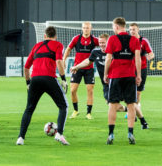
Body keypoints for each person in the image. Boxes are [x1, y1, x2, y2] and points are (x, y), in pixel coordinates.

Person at [16, 26, 69, 146]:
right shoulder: (58, 45)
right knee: (63, 106)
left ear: (44, 36)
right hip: (49, 78)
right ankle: (59, 134)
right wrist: (64, 79)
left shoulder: (36, 46)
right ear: (55, 37)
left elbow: (26, 67)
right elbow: (59, 62)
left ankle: (20, 138)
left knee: (29, 109)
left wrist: (28, 82)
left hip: (35, 79)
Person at [104, 17, 141, 145]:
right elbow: (137, 59)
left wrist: (105, 74)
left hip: (115, 75)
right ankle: (130, 133)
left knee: (113, 105)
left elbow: (108, 58)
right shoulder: (134, 39)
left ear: (117, 26)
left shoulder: (113, 39)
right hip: (130, 75)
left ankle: (111, 134)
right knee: (131, 105)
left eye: (113, 27)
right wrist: (138, 75)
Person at [64, 22, 99, 119]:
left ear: (90, 28)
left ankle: (88, 113)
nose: (86, 29)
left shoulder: (94, 40)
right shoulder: (76, 38)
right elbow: (68, 49)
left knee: (90, 91)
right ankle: (75, 110)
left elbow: (105, 47)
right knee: (72, 90)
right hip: (77, 68)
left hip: (89, 69)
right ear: (82, 28)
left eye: (87, 28)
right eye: (84, 28)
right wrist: (63, 60)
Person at [129, 23, 153, 129]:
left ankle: (135, 111)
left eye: (134, 29)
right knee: (130, 92)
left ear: (138, 30)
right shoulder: (128, 41)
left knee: (138, 93)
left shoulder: (143, 41)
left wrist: (149, 57)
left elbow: (151, 53)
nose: (132, 31)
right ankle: (133, 111)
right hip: (129, 69)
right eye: (130, 29)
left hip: (142, 69)